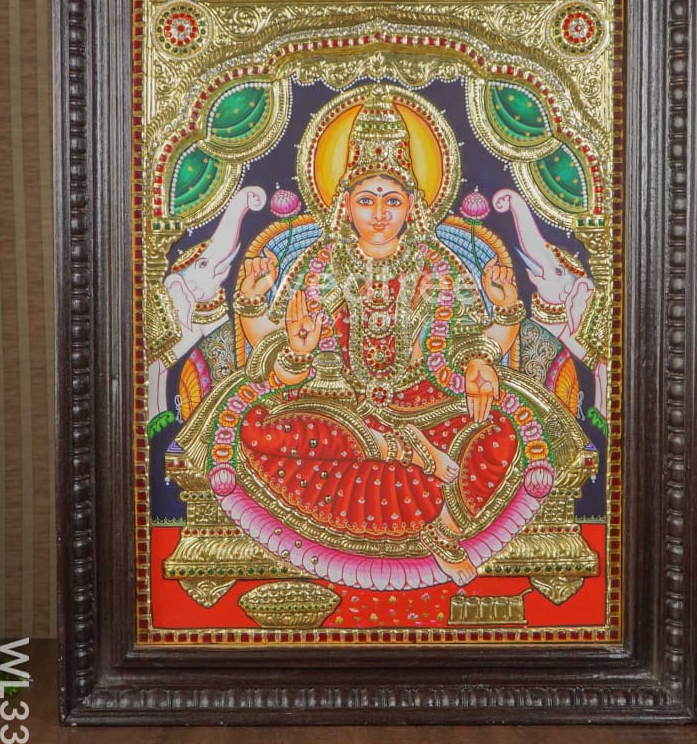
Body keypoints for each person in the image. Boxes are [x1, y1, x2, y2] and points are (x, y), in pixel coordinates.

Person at [185, 88, 558, 590]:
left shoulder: (438, 266)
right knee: (256, 429)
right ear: (345, 205)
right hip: (338, 408)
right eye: (366, 200)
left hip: (424, 403)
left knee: (503, 428)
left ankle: (440, 519)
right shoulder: (320, 265)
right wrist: (272, 324)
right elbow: (279, 352)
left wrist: (490, 343)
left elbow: (469, 341)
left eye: (392, 200)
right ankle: (405, 460)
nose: (379, 213)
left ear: (412, 206)